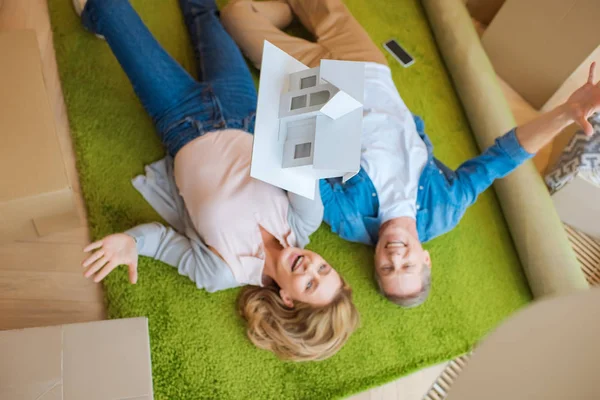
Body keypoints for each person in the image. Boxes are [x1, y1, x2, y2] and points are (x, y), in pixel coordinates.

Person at [221, 0, 600, 308]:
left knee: (234, 14)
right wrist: (565, 114)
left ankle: (283, 14)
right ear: (425, 259)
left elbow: (300, 156)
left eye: (387, 267)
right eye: (407, 265)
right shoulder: (444, 207)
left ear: (375, 262)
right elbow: (503, 157)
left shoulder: (347, 220)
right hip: (368, 66)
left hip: (315, 82)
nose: (395, 255)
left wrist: (297, 104)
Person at [74, 0, 359, 362]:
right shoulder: (305, 220)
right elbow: (296, 153)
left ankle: (93, 17)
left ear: (287, 300)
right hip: (243, 110)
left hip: (179, 120)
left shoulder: (222, 272)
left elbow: (162, 244)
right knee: (204, 14)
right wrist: (323, 115)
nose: (311, 267)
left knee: (109, 8)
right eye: (324, 268)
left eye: (310, 284)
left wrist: (131, 242)